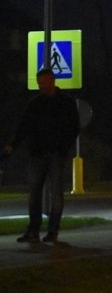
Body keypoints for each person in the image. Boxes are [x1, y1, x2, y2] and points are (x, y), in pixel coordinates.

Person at [2, 68, 80, 243]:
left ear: (52, 81)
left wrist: (63, 147)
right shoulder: (35, 103)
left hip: (56, 153)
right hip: (37, 153)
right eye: (39, 84)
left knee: (56, 193)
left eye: (44, 83)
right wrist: (12, 145)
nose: (42, 86)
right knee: (34, 193)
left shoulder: (66, 103)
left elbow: (74, 127)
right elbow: (24, 126)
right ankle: (33, 230)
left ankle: (53, 230)